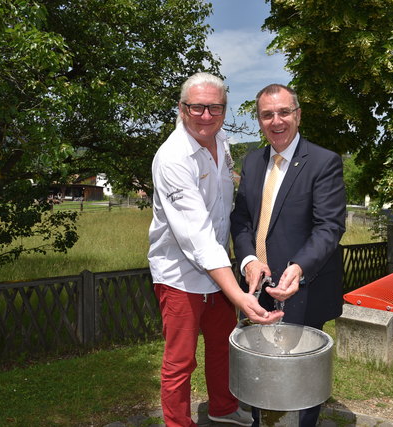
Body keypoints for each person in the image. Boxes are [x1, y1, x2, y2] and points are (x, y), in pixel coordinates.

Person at [148, 73, 284, 427]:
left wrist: (248, 259)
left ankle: (223, 409)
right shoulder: (173, 158)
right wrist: (240, 296)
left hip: (219, 272)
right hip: (180, 276)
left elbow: (227, 212)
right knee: (180, 360)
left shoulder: (221, 142)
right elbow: (197, 237)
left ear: (224, 109)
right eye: (197, 107)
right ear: (181, 109)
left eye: (216, 108)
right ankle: (177, 423)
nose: (206, 116)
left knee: (224, 347)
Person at [230, 83, 347, 427]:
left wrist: (299, 267)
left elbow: (329, 227)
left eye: (284, 112)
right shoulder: (251, 161)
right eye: (267, 114)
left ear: (298, 115)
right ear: (259, 120)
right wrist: (249, 259)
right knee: (259, 370)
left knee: (298, 384)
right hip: (258, 288)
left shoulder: (324, 162)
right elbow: (241, 219)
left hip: (304, 290)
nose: (276, 121)